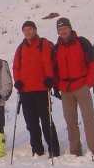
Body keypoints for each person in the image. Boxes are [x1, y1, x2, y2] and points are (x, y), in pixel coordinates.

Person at [52, 17, 94, 160]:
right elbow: (55, 69)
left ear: (70, 28)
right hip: (66, 89)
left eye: (65, 28)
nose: (63, 31)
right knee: (70, 121)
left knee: (88, 119)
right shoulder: (57, 48)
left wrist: (89, 82)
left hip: (81, 86)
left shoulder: (82, 43)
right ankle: (75, 151)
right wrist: (56, 86)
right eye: (60, 29)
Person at [12, 21, 61, 157]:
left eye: (30, 29)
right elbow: (16, 67)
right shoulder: (20, 48)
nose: (27, 32)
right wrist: (18, 81)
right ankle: (37, 149)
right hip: (26, 91)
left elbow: (47, 62)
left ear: (35, 30)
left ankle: (54, 149)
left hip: (41, 88)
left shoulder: (43, 44)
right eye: (25, 30)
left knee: (46, 121)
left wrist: (49, 77)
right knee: (31, 122)